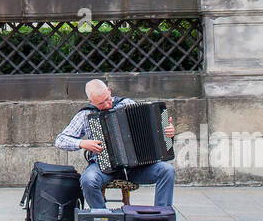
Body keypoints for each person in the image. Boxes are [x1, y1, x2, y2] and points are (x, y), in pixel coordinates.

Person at [55, 79, 175, 211]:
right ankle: (102, 217)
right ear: (91, 101)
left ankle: (162, 216)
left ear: (109, 91)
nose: (107, 105)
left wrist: (168, 133)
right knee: (88, 180)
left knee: (167, 171)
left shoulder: (127, 104)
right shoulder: (85, 114)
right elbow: (60, 140)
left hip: (136, 168)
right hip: (103, 168)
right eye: (101, 103)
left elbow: (151, 132)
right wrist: (82, 143)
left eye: (107, 99)